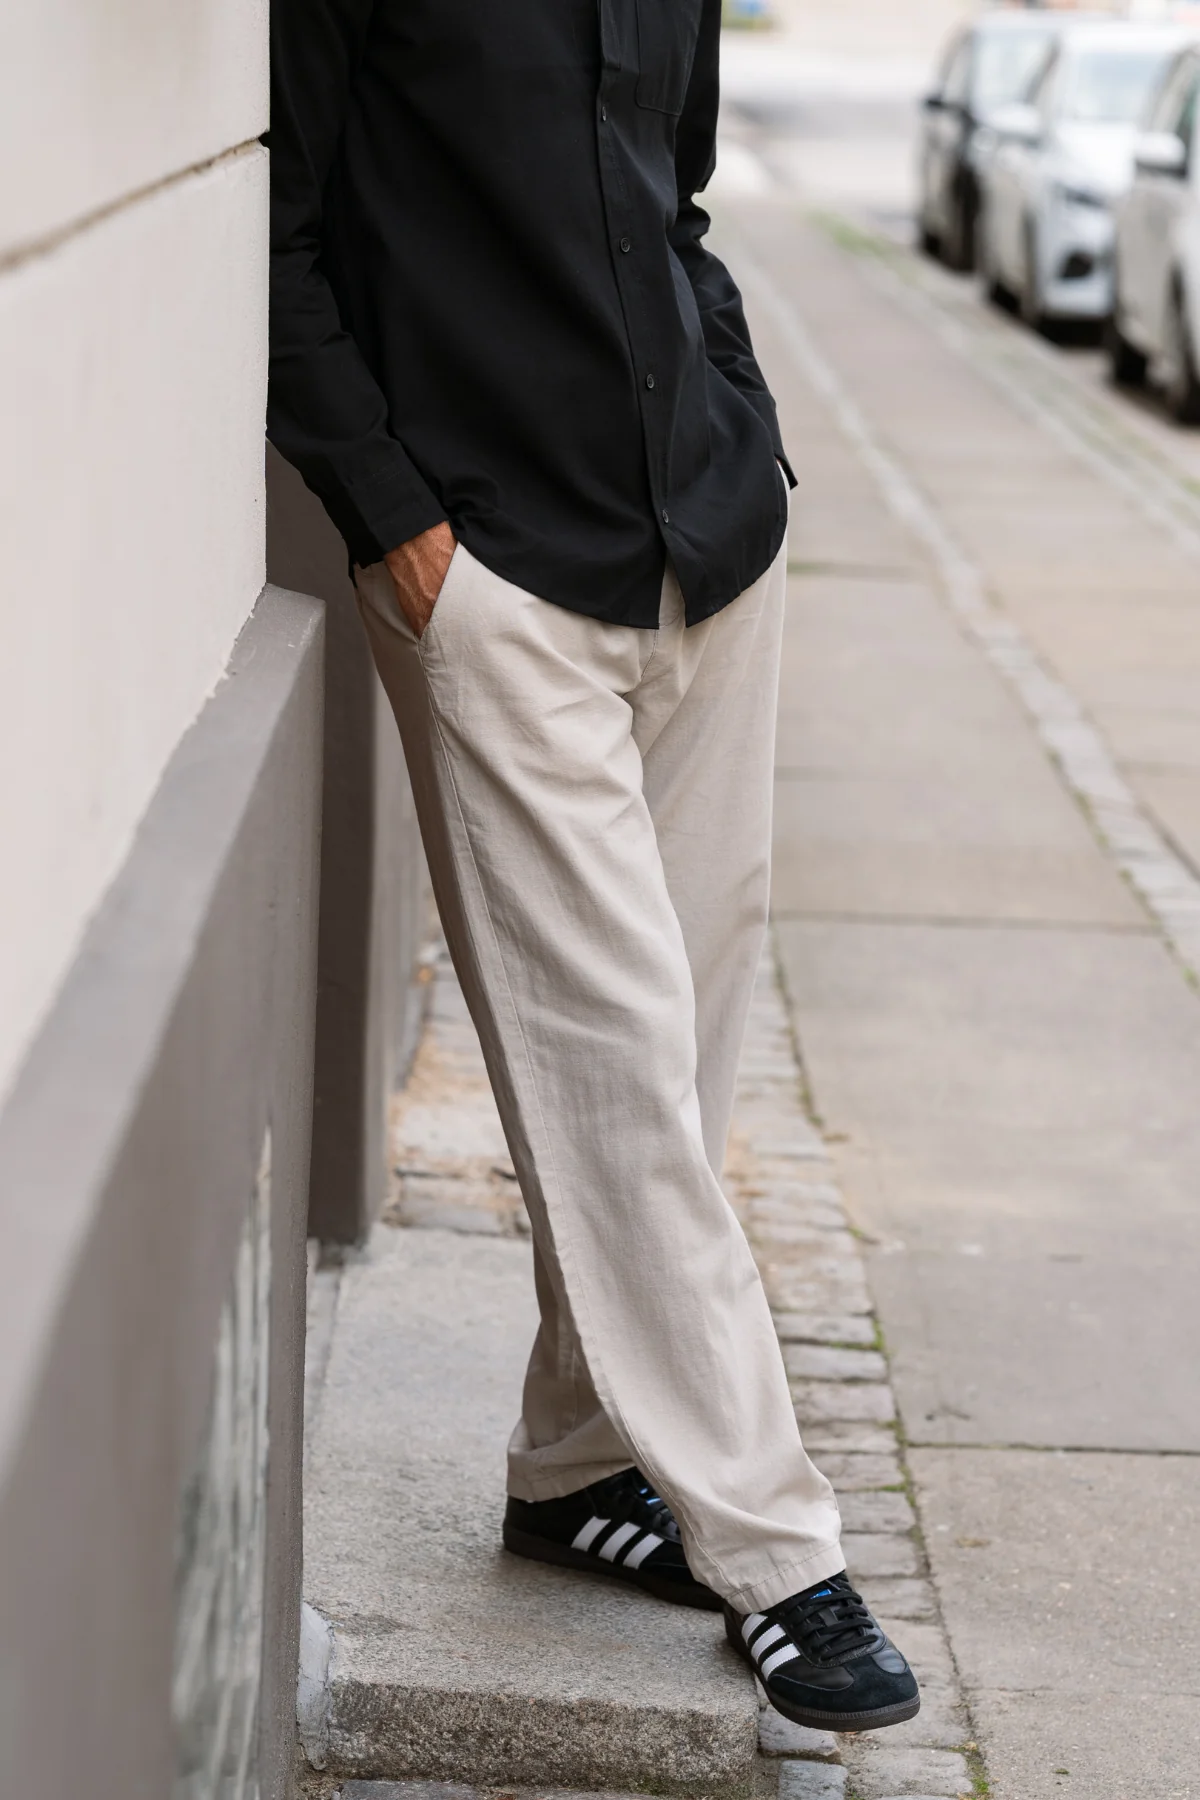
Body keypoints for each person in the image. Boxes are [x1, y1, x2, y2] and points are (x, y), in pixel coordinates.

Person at [268, 0, 918, 1735]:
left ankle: (571, 1463)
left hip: (708, 550)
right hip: (492, 575)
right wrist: (399, 527)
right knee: (612, 1064)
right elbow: (275, 240)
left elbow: (671, 201)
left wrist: (745, 429)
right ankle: (774, 1549)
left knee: (680, 1055)